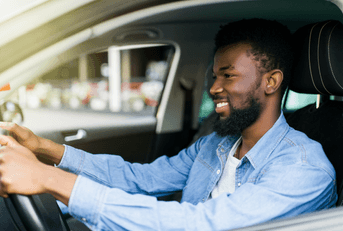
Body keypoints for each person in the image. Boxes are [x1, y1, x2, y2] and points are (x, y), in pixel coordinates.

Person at [0, 19, 337, 230]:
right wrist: (46, 150)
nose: (213, 88)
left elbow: (200, 225)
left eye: (228, 76)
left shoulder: (304, 168)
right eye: (214, 75)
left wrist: (48, 178)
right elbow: (141, 179)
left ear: (271, 81)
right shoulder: (216, 145)